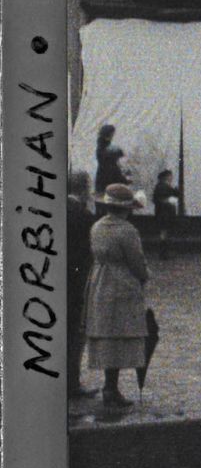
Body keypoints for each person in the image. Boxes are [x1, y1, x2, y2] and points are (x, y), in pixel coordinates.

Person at [85, 183, 150, 411]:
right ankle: (112, 389)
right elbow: (136, 261)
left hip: (100, 279)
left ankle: (109, 386)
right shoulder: (127, 230)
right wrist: (144, 276)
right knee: (121, 332)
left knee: (106, 334)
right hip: (121, 281)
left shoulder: (97, 227)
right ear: (127, 209)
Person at [66, 171, 98, 399]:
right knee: (75, 334)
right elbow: (88, 253)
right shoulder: (84, 215)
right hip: (76, 284)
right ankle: (71, 383)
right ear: (84, 188)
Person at [94, 124, 131, 195]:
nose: (113, 136)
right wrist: (124, 180)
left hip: (102, 182)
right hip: (109, 183)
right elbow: (113, 170)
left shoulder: (102, 148)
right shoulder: (109, 151)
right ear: (108, 135)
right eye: (112, 134)